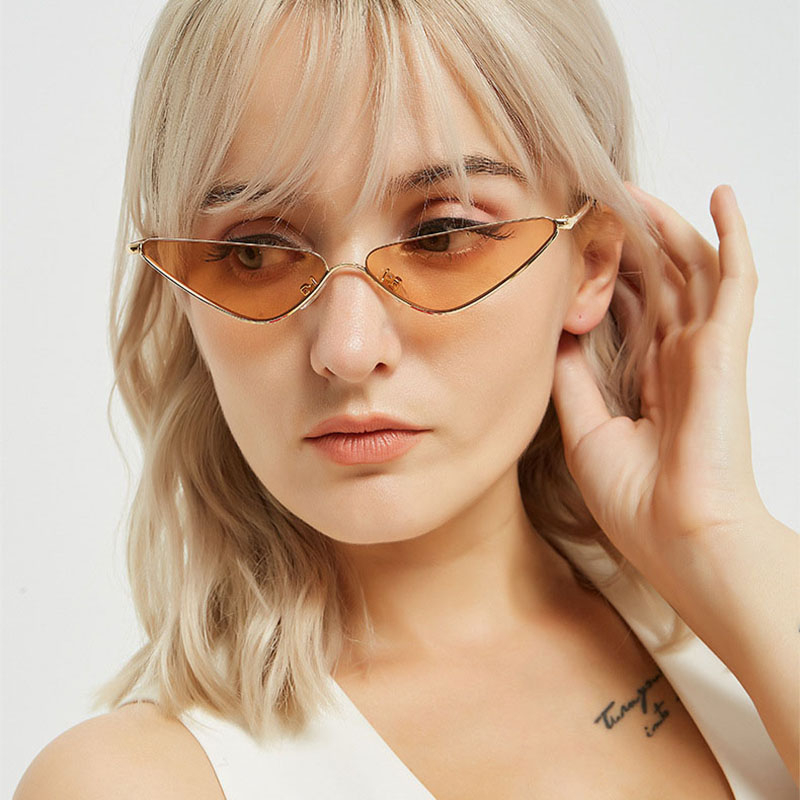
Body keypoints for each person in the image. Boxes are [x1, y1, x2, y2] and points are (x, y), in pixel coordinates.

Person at [14, 0, 798, 797]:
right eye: (255, 251)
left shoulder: (750, 620)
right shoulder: (131, 782)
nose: (348, 350)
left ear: (591, 261)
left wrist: (721, 538)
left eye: (442, 236)